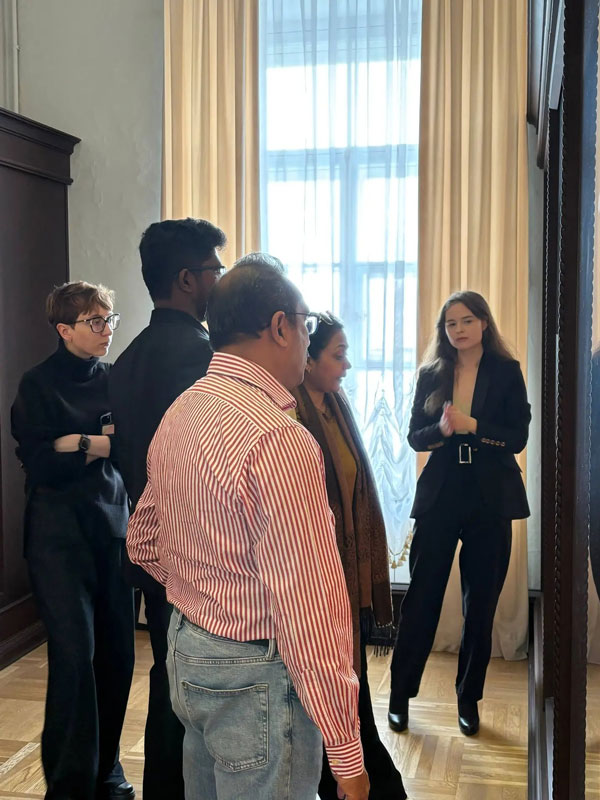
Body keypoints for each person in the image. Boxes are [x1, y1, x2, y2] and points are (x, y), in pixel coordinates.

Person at [127, 253, 370, 800]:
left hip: (189, 649)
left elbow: (142, 539)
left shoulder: (184, 409)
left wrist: (206, 591)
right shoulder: (279, 439)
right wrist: (348, 755)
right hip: (257, 670)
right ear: (280, 327)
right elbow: (308, 608)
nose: (307, 339)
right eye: (305, 325)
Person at [108, 217, 226, 800]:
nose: (219, 282)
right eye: (214, 271)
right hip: (203, 555)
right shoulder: (205, 358)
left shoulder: (127, 359)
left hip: (152, 547)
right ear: (186, 279)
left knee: (167, 673)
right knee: (205, 685)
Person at [11, 282, 135, 800]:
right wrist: (102, 444)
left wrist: (79, 442)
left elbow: (131, 447)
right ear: (65, 329)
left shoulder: (115, 379)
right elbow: (41, 463)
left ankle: (106, 769)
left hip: (112, 529)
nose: (107, 330)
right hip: (57, 538)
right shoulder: (37, 384)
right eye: (95, 322)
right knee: (74, 658)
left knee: (118, 656)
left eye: (110, 319)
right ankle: (68, 785)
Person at [388, 291, 530, 737]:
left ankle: (468, 699)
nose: (459, 330)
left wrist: (475, 428)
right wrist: (443, 429)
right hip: (443, 491)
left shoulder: (506, 371)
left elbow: (517, 437)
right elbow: (415, 436)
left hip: (491, 496)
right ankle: (399, 695)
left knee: (481, 605)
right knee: (421, 598)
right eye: (451, 323)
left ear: (484, 323)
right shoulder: (432, 373)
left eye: (467, 320)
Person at [291, 312, 406, 800]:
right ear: (307, 358)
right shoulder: (288, 415)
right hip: (316, 582)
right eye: (338, 355)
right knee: (340, 708)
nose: (348, 365)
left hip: (347, 578)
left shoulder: (335, 405)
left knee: (352, 700)